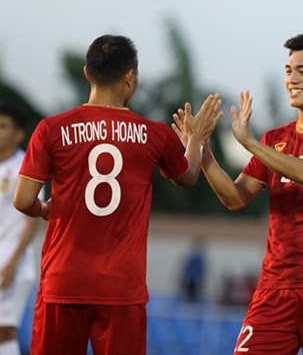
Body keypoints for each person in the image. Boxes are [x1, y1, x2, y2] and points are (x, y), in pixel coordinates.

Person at [12, 34, 223, 355]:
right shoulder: (155, 134)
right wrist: (194, 141)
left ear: (87, 73)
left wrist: (44, 210)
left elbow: (22, 200)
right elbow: (189, 177)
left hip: (63, 281)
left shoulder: (51, 129)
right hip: (122, 287)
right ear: (131, 77)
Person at [173, 32, 303, 355]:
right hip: (275, 285)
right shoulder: (276, 138)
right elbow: (235, 198)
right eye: (288, 70)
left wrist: (249, 143)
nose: (291, 79)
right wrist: (204, 151)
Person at [0, 105, 39, 355]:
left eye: (3, 127)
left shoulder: (26, 166)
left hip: (11, 262)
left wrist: (12, 263)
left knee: (4, 332)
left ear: (18, 134)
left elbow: (31, 220)